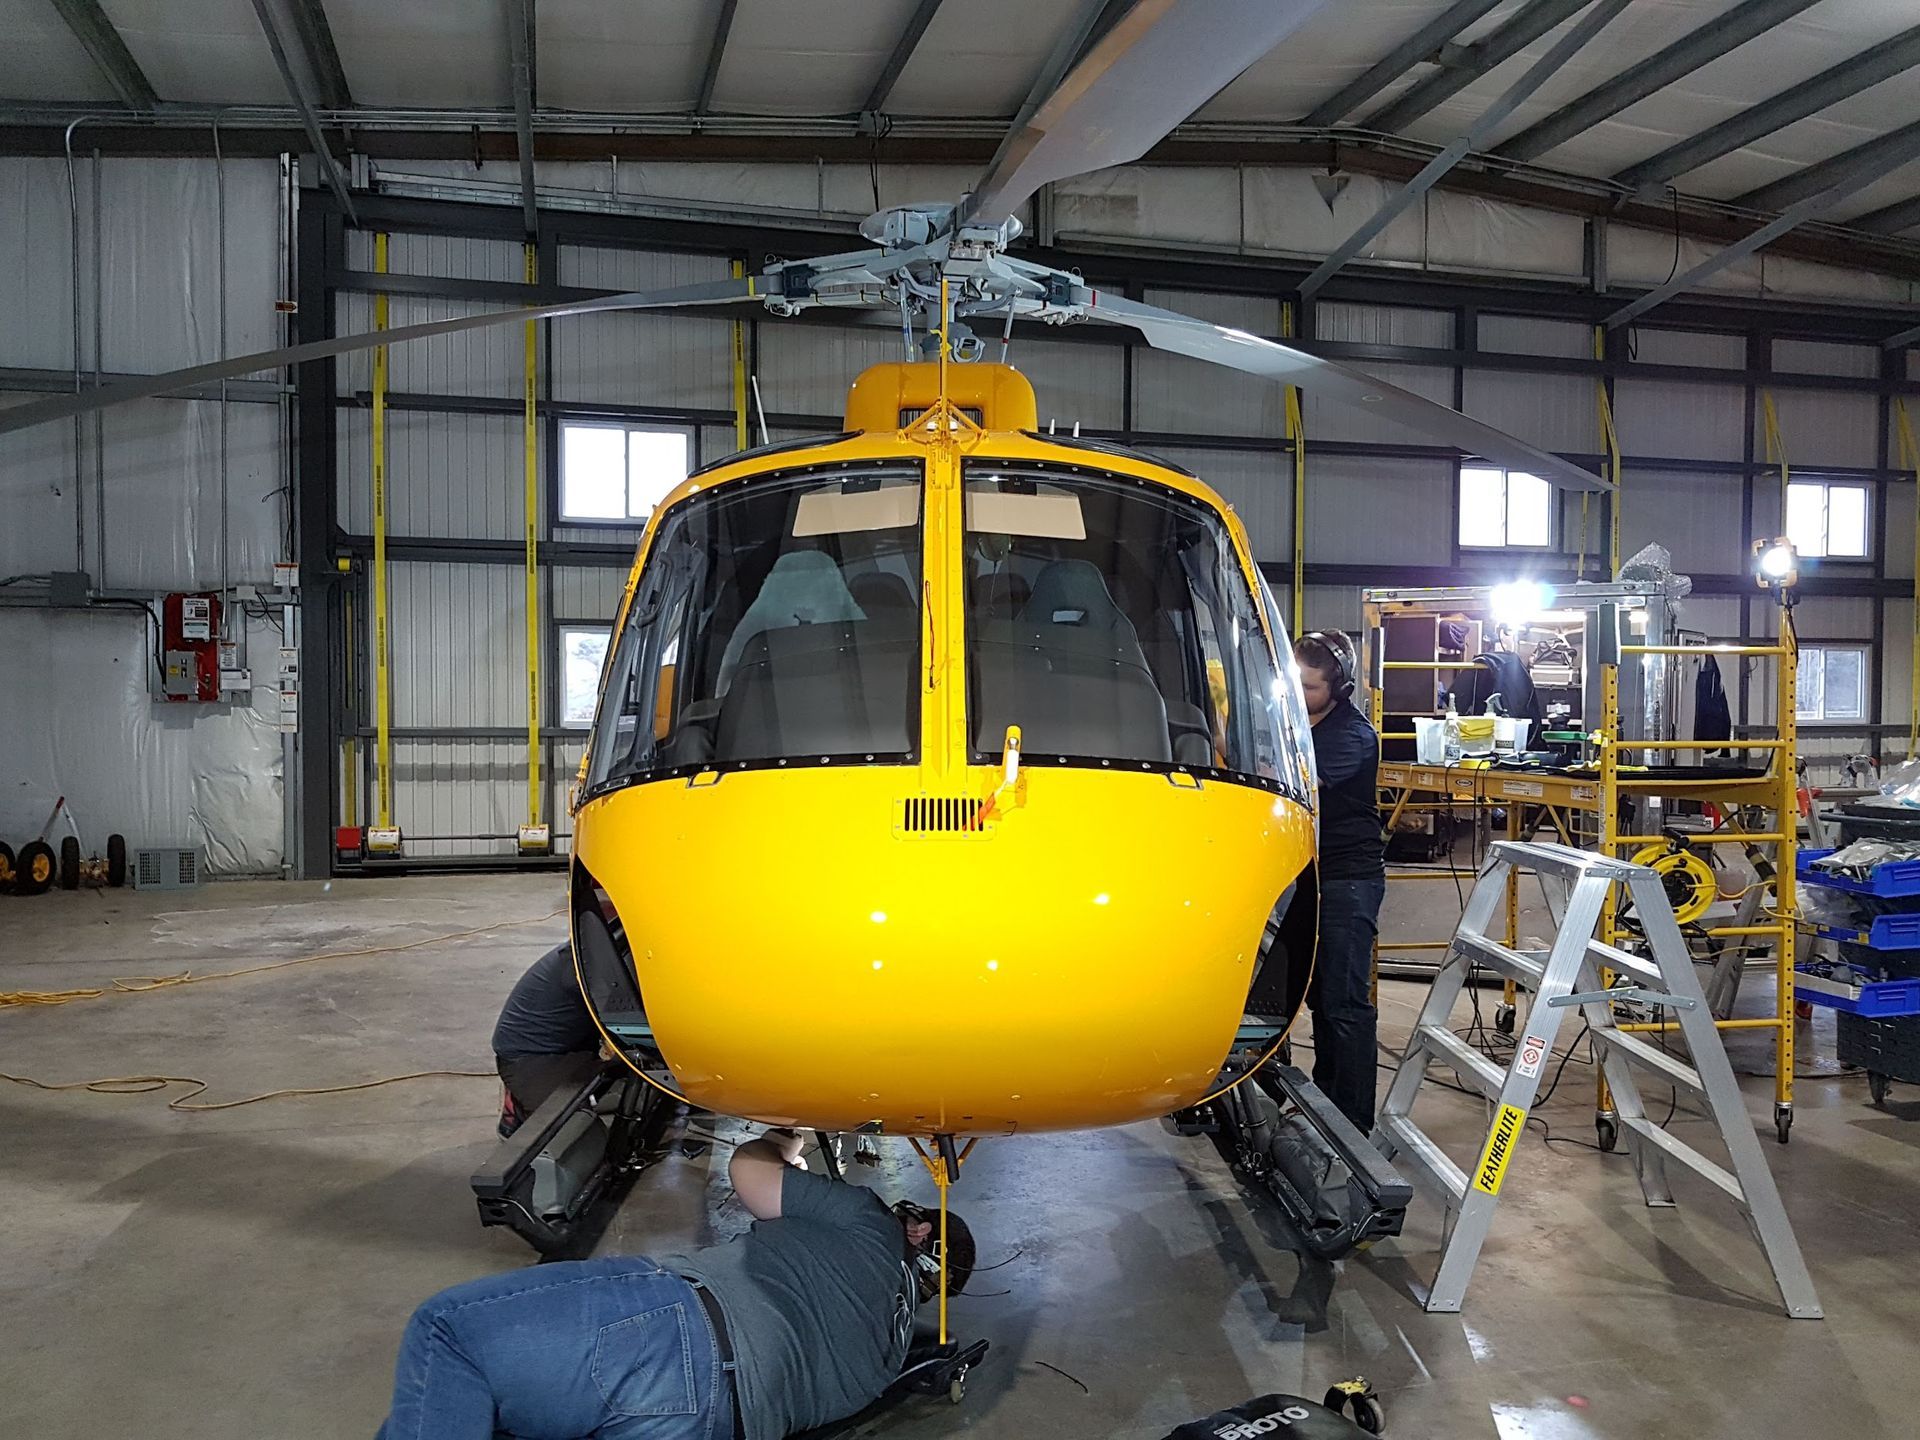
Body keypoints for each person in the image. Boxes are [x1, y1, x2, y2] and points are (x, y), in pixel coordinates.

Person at [376, 1128, 975, 1439]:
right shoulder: (890, 1352)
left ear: (919, 1233)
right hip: (722, 1424)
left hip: (675, 1332)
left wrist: (784, 1140)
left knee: (449, 1335)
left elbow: (748, 1172)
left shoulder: (870, 1223)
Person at [1288, 629, 1386, 1133]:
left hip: (1347, 879)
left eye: (1310, 687)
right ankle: (1323, 1110)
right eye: (1292, 683)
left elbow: (1298, 784)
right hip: (1305, 873)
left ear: (1339, 689)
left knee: (1341, 1002)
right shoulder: (1294, 724)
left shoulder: (1351, 735)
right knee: (1310, 997)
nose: (1299, 695)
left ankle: (1350, 1125)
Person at [492, 943, 602, 1139]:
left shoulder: (602, 943)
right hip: (530, 1058)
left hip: (572, 1044)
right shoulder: (588, 960)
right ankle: (517, 1105)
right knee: (574, 1133)